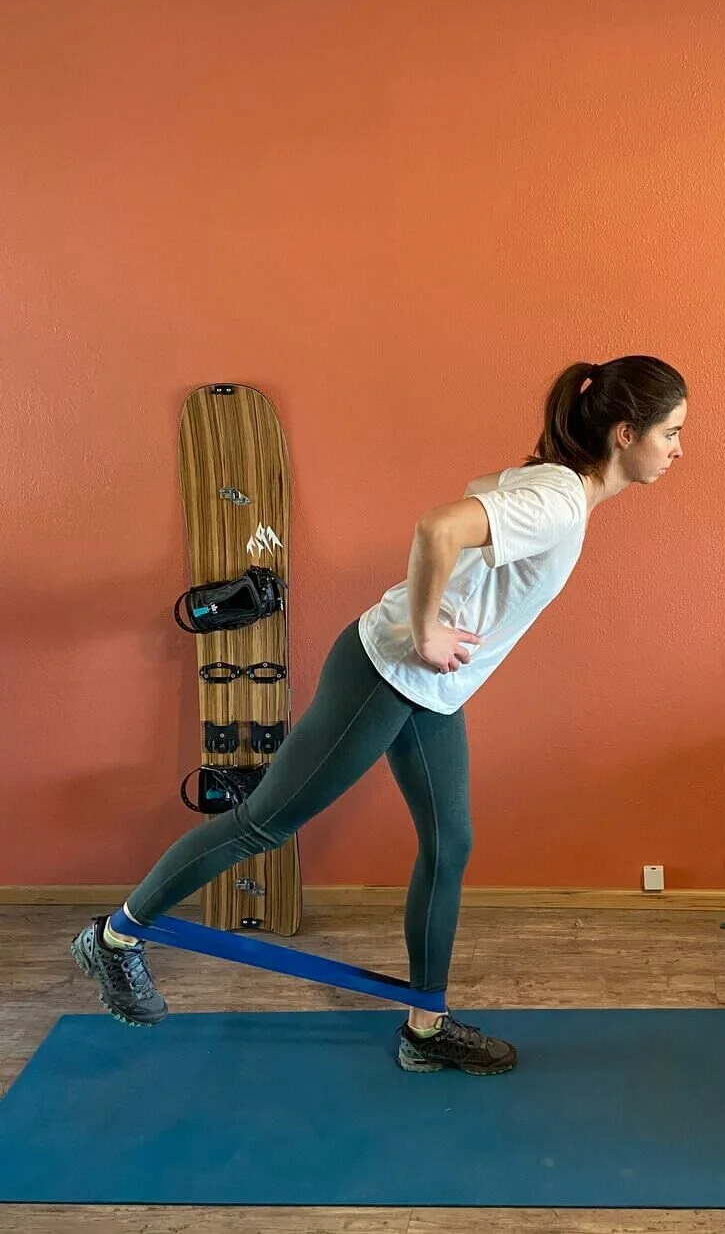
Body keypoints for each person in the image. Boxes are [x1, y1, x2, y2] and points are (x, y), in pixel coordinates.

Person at [71, 355, 687, 1076]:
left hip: (429, 693)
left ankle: (426, 1027)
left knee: (449, 843)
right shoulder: (556, 498)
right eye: (671, 432)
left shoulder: (557, 489)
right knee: (263, 822)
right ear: (625, 433)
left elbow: (470, 519)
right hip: (386, 673)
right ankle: (115, 938)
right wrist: (427, 629)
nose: (678, 448)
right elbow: (437, 529)